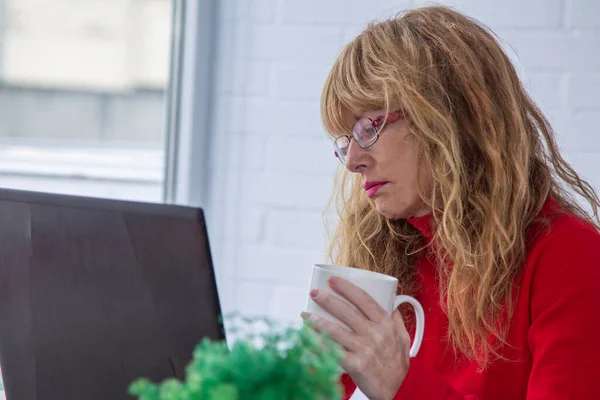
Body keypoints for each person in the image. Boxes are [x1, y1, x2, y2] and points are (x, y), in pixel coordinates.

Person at [300, 5, 600, 400]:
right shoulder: (387, 255)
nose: (353, 160)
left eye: (370, 126)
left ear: (451, 117)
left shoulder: (571, 255)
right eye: (344, 140)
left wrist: (400, 384)